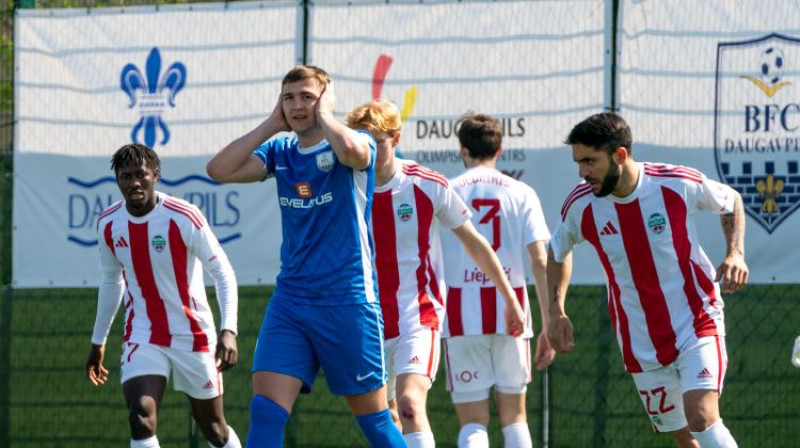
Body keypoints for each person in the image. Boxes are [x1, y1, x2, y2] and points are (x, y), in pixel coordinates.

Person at [205, 66, 405, 447]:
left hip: (347, 300)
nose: (297, 106)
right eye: (289, 98)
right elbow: (219, 169)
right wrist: (270, 124)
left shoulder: (359, 140)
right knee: (264, 411)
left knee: (376, 422)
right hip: (292, 301)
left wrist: (326, 114)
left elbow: (349, 151)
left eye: (307, 97)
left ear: (325, 99)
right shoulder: (280, 151)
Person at [547, 112, 748, 448]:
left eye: (589, 161)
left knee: (701, 416)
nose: (582, 172)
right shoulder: (581, 206)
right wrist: (556, 311)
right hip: (640, 341)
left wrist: (736, 253)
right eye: (577, 163)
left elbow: (730, 202)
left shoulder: (674, 183)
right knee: (685, 436)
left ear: (620, 155)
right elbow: (556, 252)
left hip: (697, 320)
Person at [345, 101, 527, 448]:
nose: (369, 150)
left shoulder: (426, 184)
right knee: (386, 416)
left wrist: (511, 300)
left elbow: (476, 245)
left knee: (412, 404)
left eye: (377, 141)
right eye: (361, 141)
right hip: (366, 318)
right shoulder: (345, 187)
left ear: (396, 138)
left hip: (419, 314)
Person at [86, 143, 242, 448]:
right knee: (141, 415)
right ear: (117, 180)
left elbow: (223, 272)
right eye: (125, 176)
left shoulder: (183, 217)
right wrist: (98, 341)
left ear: (155, 175)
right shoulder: (108, 223)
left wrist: (229, 330)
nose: (133, 183)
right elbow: (110, 280)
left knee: (213, 428)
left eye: (140, 175)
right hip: (143, 333)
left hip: (193, 334)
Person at [440, 113, 555, 448]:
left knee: (473, 422)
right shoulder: (521, 192)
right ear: (500, 149)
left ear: (462, 149)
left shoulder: (445, 190)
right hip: (514, 313)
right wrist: (548, 323)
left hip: (461, 315)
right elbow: (540, 260)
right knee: (515, 419)